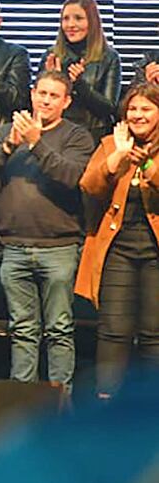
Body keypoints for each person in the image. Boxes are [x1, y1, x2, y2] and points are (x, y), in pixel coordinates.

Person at [0, 71, 94, 388]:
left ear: (66, 102)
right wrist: (11, 144)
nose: (46, 100)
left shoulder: (76, 137)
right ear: (32, 95)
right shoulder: (7, 133)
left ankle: (59, 405)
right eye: (41, 93)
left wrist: (36, 143)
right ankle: (23, 403)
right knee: (22, 331)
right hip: (14, 247)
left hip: (60, 248)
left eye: (54, 96)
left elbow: (72, 177)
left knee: (59, 329)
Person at [75, 83, 159, 395]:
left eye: (146, 109)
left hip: (155, 252)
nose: (138, 115)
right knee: (113, 331)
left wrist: (146, 163)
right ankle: (107, 405)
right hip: (118, 250)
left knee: (154, 333)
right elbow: (89, 186)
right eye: (133, 109)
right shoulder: (112, 143)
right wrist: (117, 159)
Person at [40, 0, 122, 141]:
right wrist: (52, 81)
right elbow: (36, 102)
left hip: (93, 134)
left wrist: (80, 85)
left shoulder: (109, 57)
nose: (71, 25)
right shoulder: (51, 55)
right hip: (55, 134)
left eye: (78, 18)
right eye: (66, 19)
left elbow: (109, 108)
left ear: (92, 22)